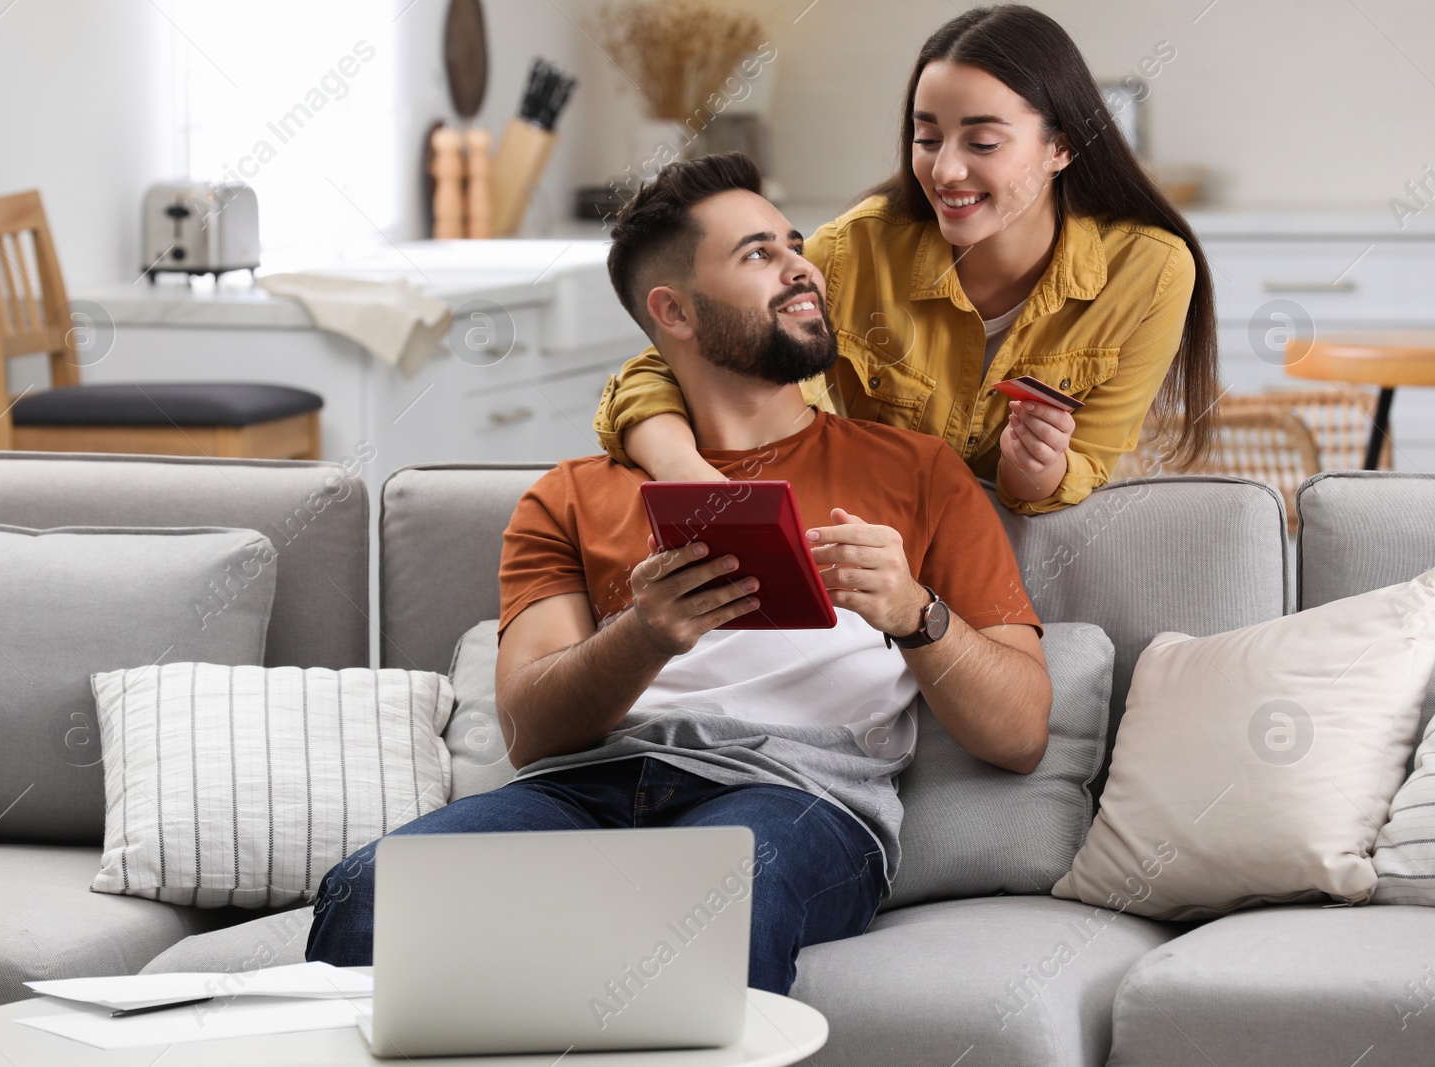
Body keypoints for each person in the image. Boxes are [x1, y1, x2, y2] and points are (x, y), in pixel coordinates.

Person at [306, 152, 1049, 994]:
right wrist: (645, 633)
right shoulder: (571, 496)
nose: (801, 266)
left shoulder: (916, 471)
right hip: (581, 792)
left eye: (794, 244)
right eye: (757, 254)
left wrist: (918, 613)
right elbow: (530, 733)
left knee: (714, 904)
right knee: (371, 894)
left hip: (793, 796)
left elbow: (1020, 732)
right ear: (675, 312)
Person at [593, 4, 1220, 515]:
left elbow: (1087, 463)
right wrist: (680, 470)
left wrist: (1037, 471)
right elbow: (674, 360)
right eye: (927, 138)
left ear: (1060, 145)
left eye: (982, 142)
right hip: (879, 535)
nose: (945, 169)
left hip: (1025, 551)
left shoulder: (1152, 272)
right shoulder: (853, 250)